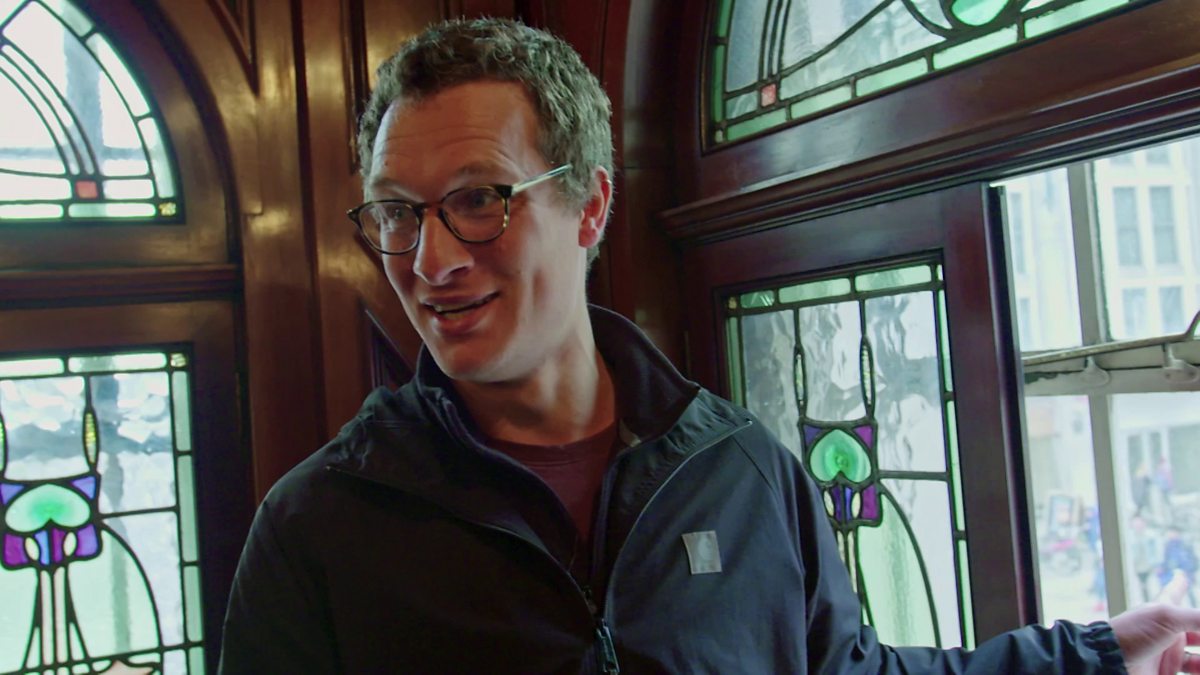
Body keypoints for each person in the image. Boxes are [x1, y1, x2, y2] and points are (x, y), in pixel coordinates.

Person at [219, 17, 1200, 674]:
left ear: (590, 206)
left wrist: (1099, 654)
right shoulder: (318, 529)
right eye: (397, 212)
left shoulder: (742, 470)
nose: (430, 260)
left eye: (479, 200)